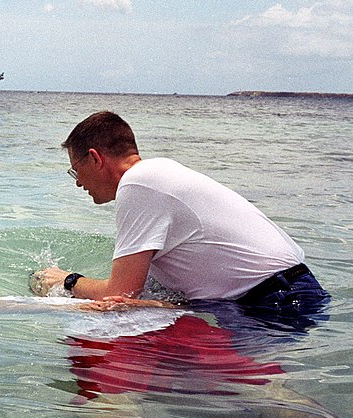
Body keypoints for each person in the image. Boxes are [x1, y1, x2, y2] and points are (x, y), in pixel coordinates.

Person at [32, 111, 329, 311]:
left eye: (75, 171)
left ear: (94, 158)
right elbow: (143, 294)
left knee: (260, 398)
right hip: (283, 294)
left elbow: (122, 295)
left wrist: (68, 281)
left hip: (276, 302)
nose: (79, 183)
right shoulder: (158, 176)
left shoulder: (139, 184)